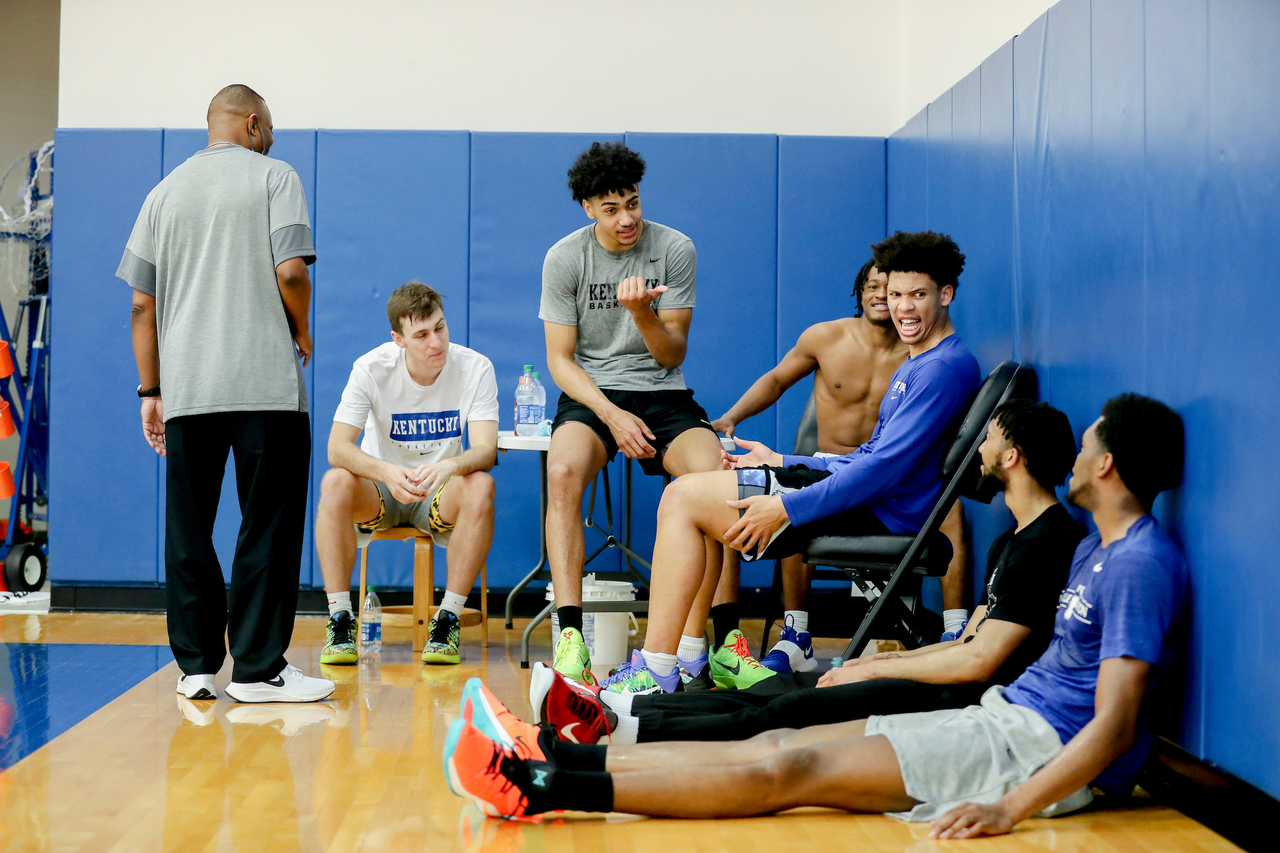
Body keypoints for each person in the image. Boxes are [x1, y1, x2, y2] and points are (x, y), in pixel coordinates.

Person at [446, 393, 1190, 839]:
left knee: (788, 762)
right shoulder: (1096, 546)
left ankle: (540, 784)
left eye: (1090, 442)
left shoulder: (1138, 563)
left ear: (1106, 466)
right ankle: (557, 754)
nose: (1077, 454)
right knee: (775, 736)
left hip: (1021, 750)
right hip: (998, 719)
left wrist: (1010, 807)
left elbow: (1116, 723)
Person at [528, 399, 1085, 746]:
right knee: (788, 685)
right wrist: (885, 662)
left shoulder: (1050, 541)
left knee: (784, 708)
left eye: (988, 439)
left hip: (960, 705)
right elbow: (968, 640)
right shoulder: (1013, 539)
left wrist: (875, 674)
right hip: (943, 678)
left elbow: (982, 661)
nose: (976, 449)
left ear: (1011, 457)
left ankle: (616, 724)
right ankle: (614, 707)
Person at [593, 231, 982, 697]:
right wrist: (783, 460)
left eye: (918, 295)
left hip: (878, 512)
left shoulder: (940, 369)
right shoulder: (922, 360)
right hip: (869, 497)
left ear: (946, 294)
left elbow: (881, 472)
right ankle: (685, 658)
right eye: (896, 295)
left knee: (682, 498)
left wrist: (787, 506)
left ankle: (660, 670)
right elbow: (870, 456)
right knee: (694, 492)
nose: (903, 308)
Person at [118, 84, 333, 703]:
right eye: (269, 129)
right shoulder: (275, 176)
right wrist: (301, 325)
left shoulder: (162, 195)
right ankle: (260, 669)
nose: (270, 140)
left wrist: (150, 389)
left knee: (189, 527)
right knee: (265, 525)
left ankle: (194, 667)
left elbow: (140, 305)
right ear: (253, 122)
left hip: (189, 392)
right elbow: (291, 270)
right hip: (266, 386)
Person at [539, 141, 745, 687]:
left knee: (716, 480)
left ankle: (703, 646)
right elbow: (560, 362)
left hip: (662, 389)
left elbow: (673, 353)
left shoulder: (675, 248)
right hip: (593, 394)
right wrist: (609, 414)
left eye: (632, 202)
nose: (627, 218)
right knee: (561, 473)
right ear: (588, 208)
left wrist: (641, 313)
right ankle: (570, 641)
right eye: (611, 209)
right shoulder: (565, 259)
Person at [707, 260, 969, 673]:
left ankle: (957, 629)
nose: (884, 296)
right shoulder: (826, 338)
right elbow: (776, 380)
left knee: (949, 504)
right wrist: (729, 419)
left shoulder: (923, 357)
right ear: (859, 292)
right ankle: (795, 633)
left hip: (889, 485)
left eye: (898, 290)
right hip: (830, 467)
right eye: (875, 287)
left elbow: (895, 456)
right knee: (787, 496)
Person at [315, 282, 499, 666]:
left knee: (481, 484)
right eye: (422, 335)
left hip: (439, 490)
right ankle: (340, 619)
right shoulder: (370, 368)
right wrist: (387, 471)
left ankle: (447, 619)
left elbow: (485, 449)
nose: (437, 342)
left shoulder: (475, 366)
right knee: (334, 481)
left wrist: (449, 465)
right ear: (398, 339)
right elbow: (337, 448)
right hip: (382, 490)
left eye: (441, 328)